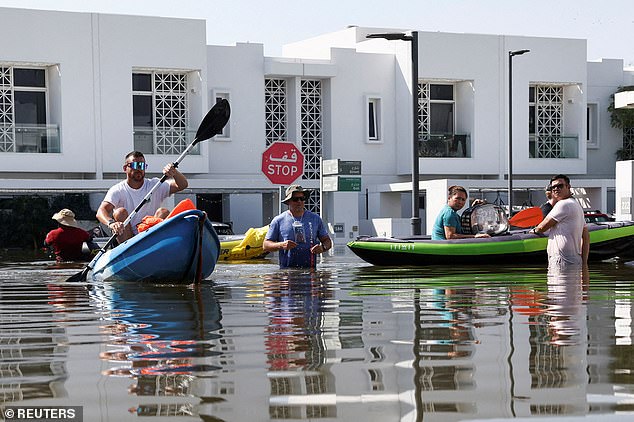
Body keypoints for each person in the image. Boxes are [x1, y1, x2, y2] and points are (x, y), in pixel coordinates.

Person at [96, 151, 188, 243]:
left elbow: (182, 185)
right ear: (125, 168)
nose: (139, 169)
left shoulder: (155, 185)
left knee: (163, 212)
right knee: (120, 212)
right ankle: (129, 250)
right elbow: (101, 211)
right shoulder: (117, 190)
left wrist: (174, 172)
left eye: (142, 166)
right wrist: (111, 223)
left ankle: (156, 246)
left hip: (149, 234)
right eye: (135, 165)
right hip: (128, 237)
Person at [263, 185, 332, 269]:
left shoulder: (315, 218)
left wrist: (323, 248)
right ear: (288, 201)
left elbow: (327, 241)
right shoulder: (278, 220)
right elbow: (266, 245)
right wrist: (282, 245)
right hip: (287, 272)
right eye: (295, 199)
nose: (299, 201)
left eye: (302, 198)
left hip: (310, 271)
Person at [530, 174, 589, 269]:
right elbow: (586, 237)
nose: (556, 189)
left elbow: (542, 227)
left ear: (568, 187)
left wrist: (534, 230)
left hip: (561, 259)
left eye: (560, 186)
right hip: (575, 259)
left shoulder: (563, 204)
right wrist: (584, 263)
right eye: (553, 187)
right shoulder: (577, 205)